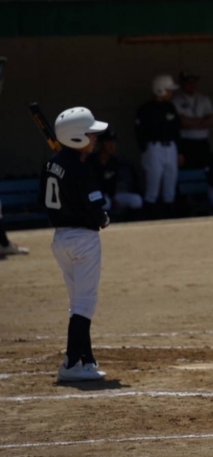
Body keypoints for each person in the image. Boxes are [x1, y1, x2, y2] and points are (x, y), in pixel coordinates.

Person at [39, 107, 110, 382]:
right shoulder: (80, 169)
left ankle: (86, 359)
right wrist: (103, 218)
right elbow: (97, 210)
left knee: (77, 302)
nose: (95, 138)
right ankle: (70, 364)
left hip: (60, 240)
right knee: (84, 302)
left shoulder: (50, 165)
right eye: (91, 134)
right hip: (83, 241)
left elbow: (43, 202)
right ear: (77, 138)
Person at [135, 74, 182, 219]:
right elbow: (139, 132)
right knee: (152, 187)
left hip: (171, 148)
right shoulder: (145, 109)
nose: (171, 93)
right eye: (168, 90)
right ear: (160, 90)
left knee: (170, 186)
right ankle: (149, 219)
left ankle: (169, 217)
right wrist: (145, 149)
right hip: (154, 148)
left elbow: (177, 130)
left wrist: (179, 151)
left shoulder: (170, 107)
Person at [88, 130, 143, 217]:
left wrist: (113, 197)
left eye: (114, 142)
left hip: (113, 195)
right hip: (96, 196)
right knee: (106, 203)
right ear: (101, 143)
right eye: (108, 142)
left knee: (136, 200)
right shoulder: (91, 161)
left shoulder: (115, 161)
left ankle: (131, 222)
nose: (112, 145)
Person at [172, 71, 213, 170]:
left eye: (194, 82)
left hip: (203, 143)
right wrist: (202, 120)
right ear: (182, 83)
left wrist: (190, 122)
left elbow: (211, 121)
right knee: (187, 172)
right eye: (188, 82)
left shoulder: (204, 99)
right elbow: (181, 123)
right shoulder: (176, 101)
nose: (192, 85)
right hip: (186, 144)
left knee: (205, 172)